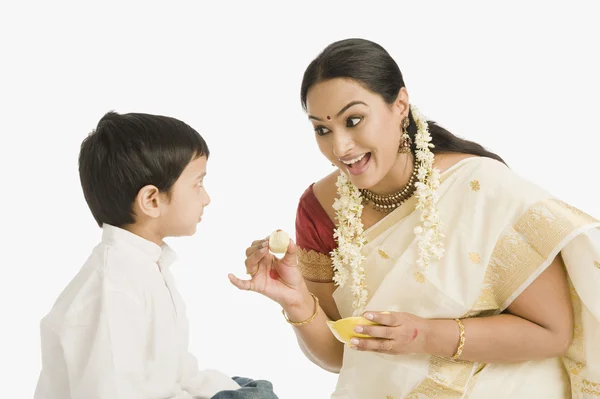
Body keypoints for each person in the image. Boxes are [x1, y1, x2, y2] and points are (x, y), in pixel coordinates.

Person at [229, 38, 600, 398]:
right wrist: (296, 301)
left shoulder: (481, 187)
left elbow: (552, 332)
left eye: (354, 120)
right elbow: (342, 355)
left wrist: (424, 335)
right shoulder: (319, 209)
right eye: (322, 130)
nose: (339, 147)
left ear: (400, 105)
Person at [35, 112, 279, 399]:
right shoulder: (111, 288)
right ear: (152, 200)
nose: (207, 197)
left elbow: (177, 373)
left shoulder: (148, 266)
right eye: (198, 183)